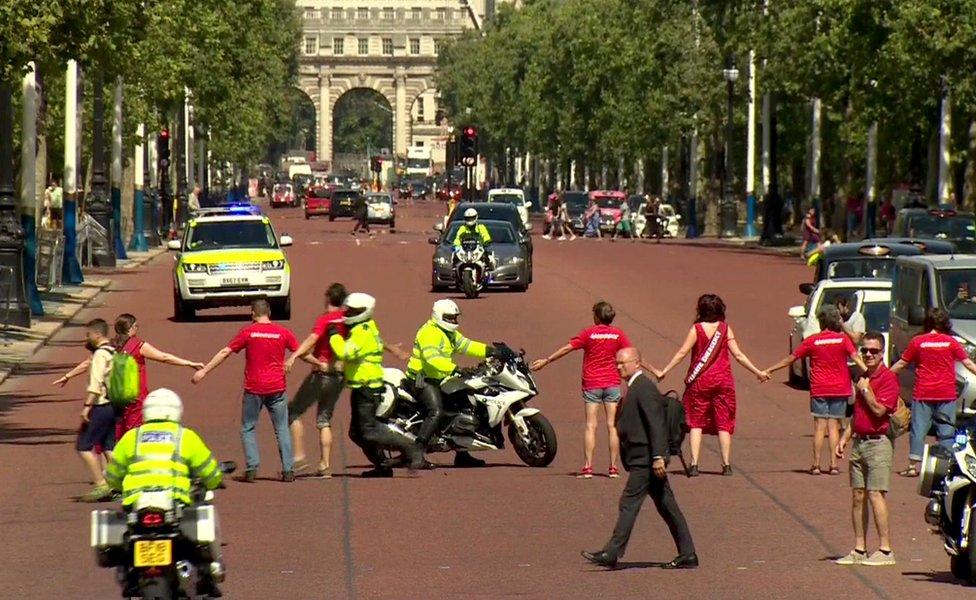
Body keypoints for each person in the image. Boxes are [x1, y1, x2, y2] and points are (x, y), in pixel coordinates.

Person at [581, 347, 698, 570]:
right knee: (667, 506)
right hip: (642, 457)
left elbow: (656, 423)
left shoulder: (644, 387)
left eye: (623, 363)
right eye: (616, 363)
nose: (618, 367)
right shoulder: (635, 387)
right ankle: (688, 553)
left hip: (645, 458)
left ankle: (612, 552)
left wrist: (658, 457)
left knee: (628, 502)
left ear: (637, 363)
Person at [106, 388, 226, 597]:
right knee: (199, 542)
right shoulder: (185, 437)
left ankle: (130, 573)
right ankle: (207, 579)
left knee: (126, 542)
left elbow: (112, 474)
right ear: (176, 412)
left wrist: (117, 486)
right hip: (175, 501)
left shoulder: (131, 438)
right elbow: (209, 470)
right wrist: (216, 480)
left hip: (137, 505)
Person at [655, 294, 768, 476]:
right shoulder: (725, 329)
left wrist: (664, 370)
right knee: (724, 423)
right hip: (723, 381)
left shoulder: (697, 329)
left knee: (696, 423)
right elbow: (738, 355)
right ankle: (726, 465)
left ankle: (694, 465)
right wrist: (758, 372)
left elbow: (682, 352)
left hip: (700, 382)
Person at [532, 302, 646, 479]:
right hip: (612, 383)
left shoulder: (589, 333)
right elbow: (632, 354)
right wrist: (654, 370)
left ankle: (588, 467)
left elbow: (567, 348)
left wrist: (547, 360)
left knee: (591, 425)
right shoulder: (618, 334)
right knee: (612, 426)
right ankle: (613, 468)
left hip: (592, 383)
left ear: (597, 317)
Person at [193, 299, 298, 483]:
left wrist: (205, 370)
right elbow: (301, 350)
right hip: (277, 387)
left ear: (252, 314)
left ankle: (252, 467)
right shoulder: (282, 332)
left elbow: (225, 352)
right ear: (269, 313)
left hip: (254, 388)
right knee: (281, 429)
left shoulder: (248, 332)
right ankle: (288, 470)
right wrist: (318, 363)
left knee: (248, 428)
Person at [328, 292, 425, 477]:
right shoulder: (366, 327)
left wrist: (333, 335)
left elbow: (345, 352)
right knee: (356, 433)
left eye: (351, 311)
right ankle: (382, 466)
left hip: (367, 388)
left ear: (362, 312)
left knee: (369, 430)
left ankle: (411, 447)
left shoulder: (362, 332)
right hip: (360, 387)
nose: (347, 314)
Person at [765, 306, 867, 475]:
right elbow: (856, 358)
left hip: (820, 387)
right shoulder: (842, 340)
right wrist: (871, 374)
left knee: (820, 427)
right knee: (834, 426)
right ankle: (833, 465)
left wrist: (770, 369)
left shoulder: (813, 340)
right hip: (840, 388)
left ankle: (816, 464)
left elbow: (792, 358)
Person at [407, 299, 499, 467]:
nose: (453, 321)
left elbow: (467, 345)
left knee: (465, 404)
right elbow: (432, 360)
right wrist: (456, 369)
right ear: (439, 316)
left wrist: (491, 351)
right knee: (435, 411)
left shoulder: (448, 333)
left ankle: (462, 454)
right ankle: (417, 455)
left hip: (440, 378)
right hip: (422, 380)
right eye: (449, 317)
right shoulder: (429, 333)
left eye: (455, 318)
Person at [833, 332, 898, 567]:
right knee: (857, 495)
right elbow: (857, 416)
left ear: (882, 354)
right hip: (860, 442)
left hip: (879, 443)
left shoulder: (887, 378)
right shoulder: (862, 378)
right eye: (865, 351)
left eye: (874, 351)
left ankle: (885, 550)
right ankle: (859, 548)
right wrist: (844, 438)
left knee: (875, 493)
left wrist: (866, 390)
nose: (868, 355)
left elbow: (881, 411)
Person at [889, 308, 976, 477]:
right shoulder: (951, 342)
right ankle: (946, 465)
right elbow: (969, 364)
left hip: (924, 392)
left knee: (919, 429)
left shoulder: (918, 342)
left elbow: (901, 364)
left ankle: (913, 465)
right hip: (946, 393)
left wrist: (882, 377)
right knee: (946, 430)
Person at [284, 283, 350, 478]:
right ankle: (325, 465)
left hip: (321, 373)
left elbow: (312, 339)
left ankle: (299, 456)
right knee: (324, 419)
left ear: (328, 298)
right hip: (339, 375)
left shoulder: (326, 320)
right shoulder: (347, 320)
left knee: (294, 411)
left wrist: (294, 356)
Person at [76, 319, 118, 502]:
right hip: (113, 405)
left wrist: (87, 407)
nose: (87, 337)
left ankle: (100, 484)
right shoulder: (114, 351)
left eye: (88, 334)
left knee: (83, 446)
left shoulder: (101, 354)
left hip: (100, 405)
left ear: (98, 334)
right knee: (108, 446)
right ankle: (120, 482)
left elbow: (96, 383)